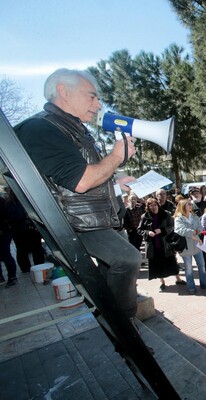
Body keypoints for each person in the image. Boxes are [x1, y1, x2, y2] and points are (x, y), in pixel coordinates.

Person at [14, 68, 140, 318]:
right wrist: (116, 156)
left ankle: (119, 325)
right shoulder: (41, 129)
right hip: (73, 222)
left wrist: (115, 182)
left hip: (85, 217)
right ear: (63, 91)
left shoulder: (70, 129)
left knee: (114, 265)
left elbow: (76, 177)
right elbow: (81, 181)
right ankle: (123, 324)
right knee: (127, 259)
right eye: (92, 96)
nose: (98, 104)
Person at [138, 198, 185, 291]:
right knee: (157, 264)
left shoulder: (166, 214)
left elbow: (172, 226)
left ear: (158, 205)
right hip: (153, 245)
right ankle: (162, 282)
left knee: (172, 262)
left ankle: (178, 279)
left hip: (165, 244)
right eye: (150, 205)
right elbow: (140, 229)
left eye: (155, 205)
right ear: (148, 207)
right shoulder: (145, 216)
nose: (153, 207)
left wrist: (162, 230)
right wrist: (147, 232)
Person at [173, 199, 206, 294]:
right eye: (188, 204)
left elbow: (200, 226)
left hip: (197, 246)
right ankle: (191, 287)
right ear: (182, 206)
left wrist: (198, 230)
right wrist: (192, 232)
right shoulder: (179, 218)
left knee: (202, 266)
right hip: (186, 248)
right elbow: (179, 230)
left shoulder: (194, 216)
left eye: (190, 204)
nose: (190, 206)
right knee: (189, 269)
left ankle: (204, 284)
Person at [5, 186, 45, 273]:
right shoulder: (26, 200)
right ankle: (39, 267)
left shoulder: (8, 203)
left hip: (18, 230)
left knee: (22, 250)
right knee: (36, 249)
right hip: (29, 228)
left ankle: (26, 269)